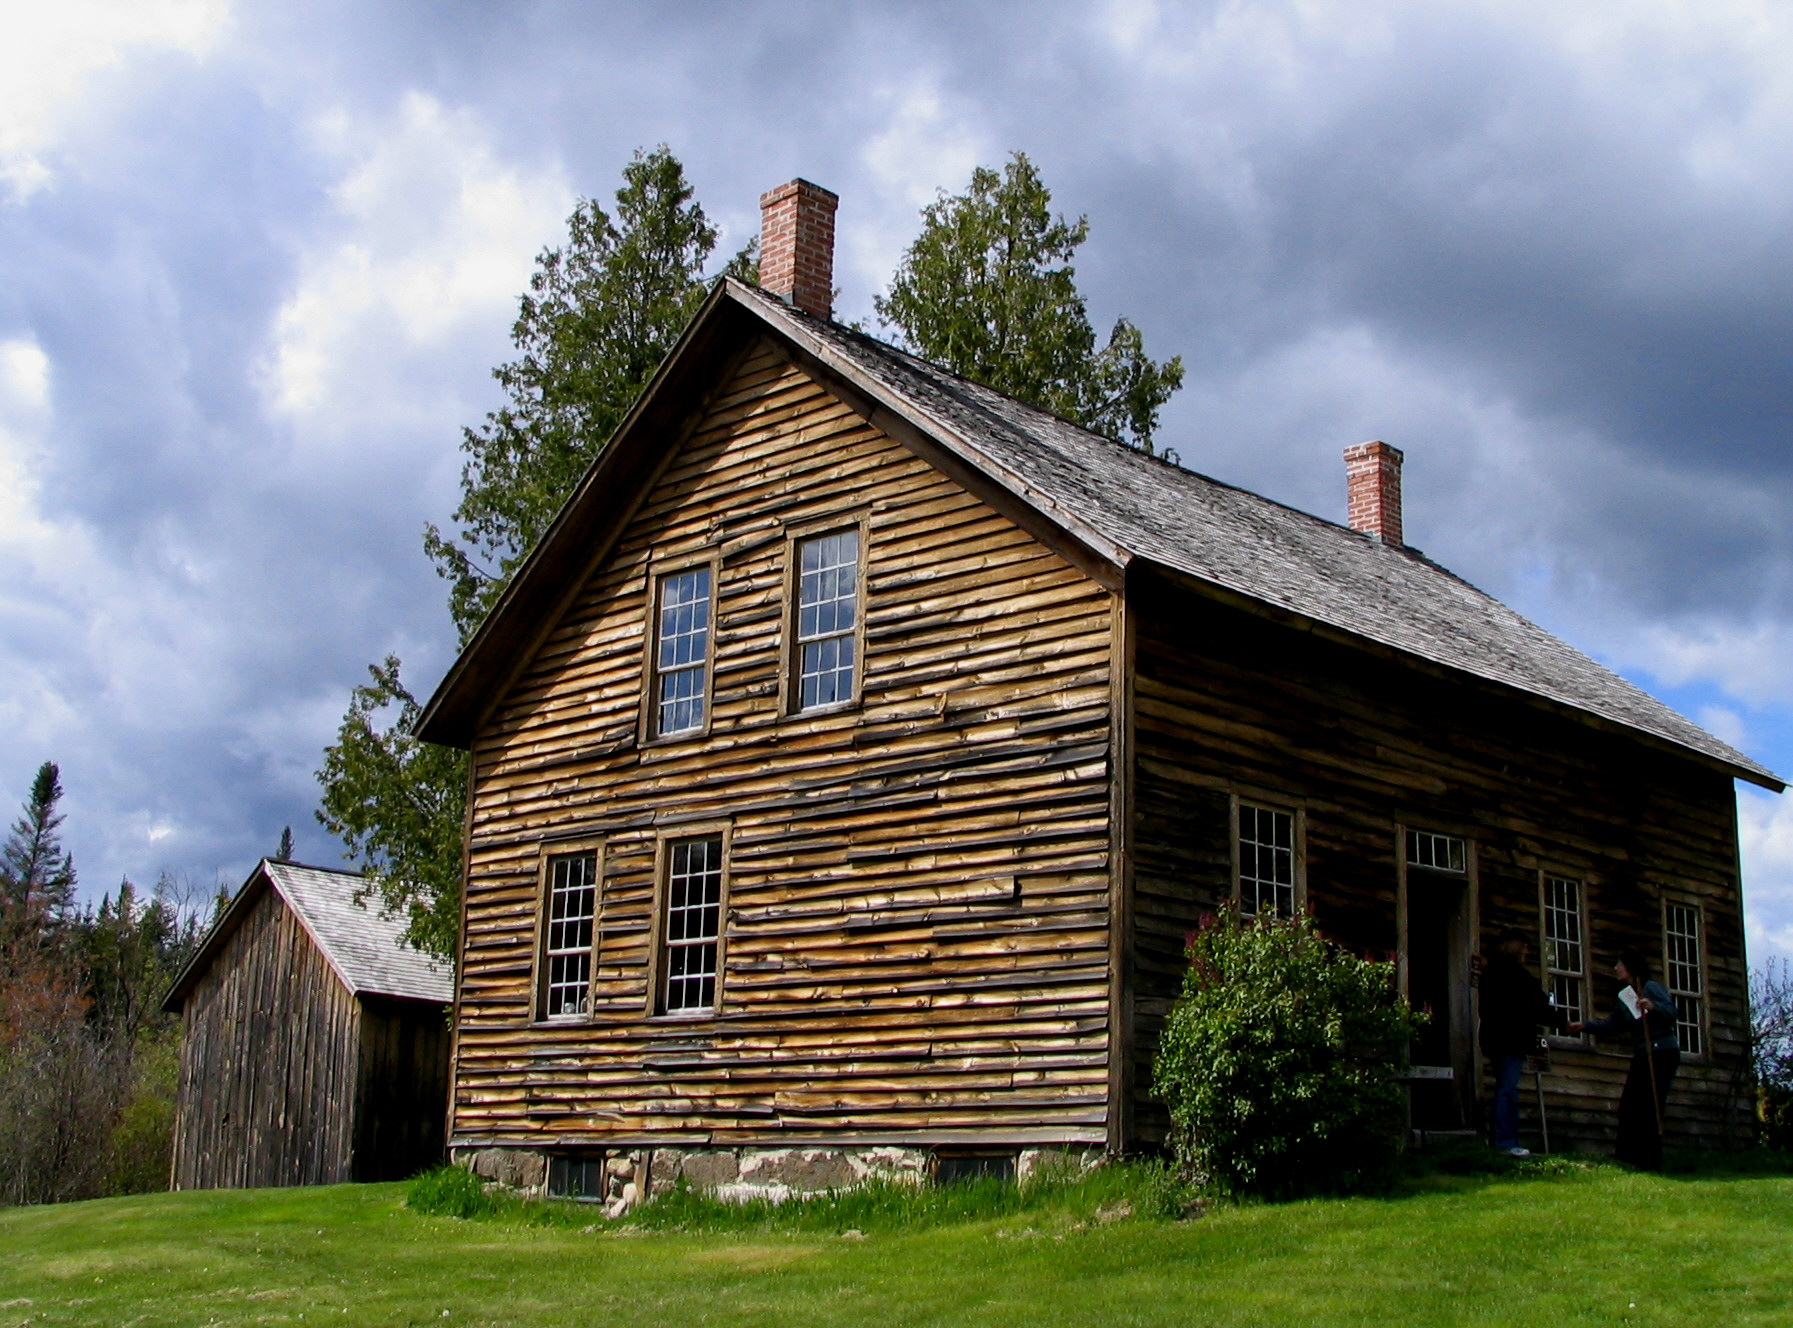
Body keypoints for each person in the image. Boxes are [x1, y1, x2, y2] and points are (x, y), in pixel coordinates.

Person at [1570, 948, 1679, 1170]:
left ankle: (1651, 1159)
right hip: (1643, 1052)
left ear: (1629, 967)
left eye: (1619, 964)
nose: (1615, 968)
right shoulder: (1626, 996)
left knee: (1651, 1105)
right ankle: (1627, 1157)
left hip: (1661, 1052)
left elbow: (1671, 1013)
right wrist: (1586, 1026)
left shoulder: (1650, 987)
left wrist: (1652, 1006)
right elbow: (1614, 1024)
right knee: (1629, 1105)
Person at [1479, 929, 1560, 1157]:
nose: (1526, 951)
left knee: (1505, 1088)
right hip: (1511, 1040)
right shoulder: (1518, 976)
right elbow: (1538, 1006)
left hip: (1494, 1039)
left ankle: (1501, 1139)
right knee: (1507, 1090)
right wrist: (1564, 1023)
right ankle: (1505, 1142)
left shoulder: (1490, 973)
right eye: (1523, 947)